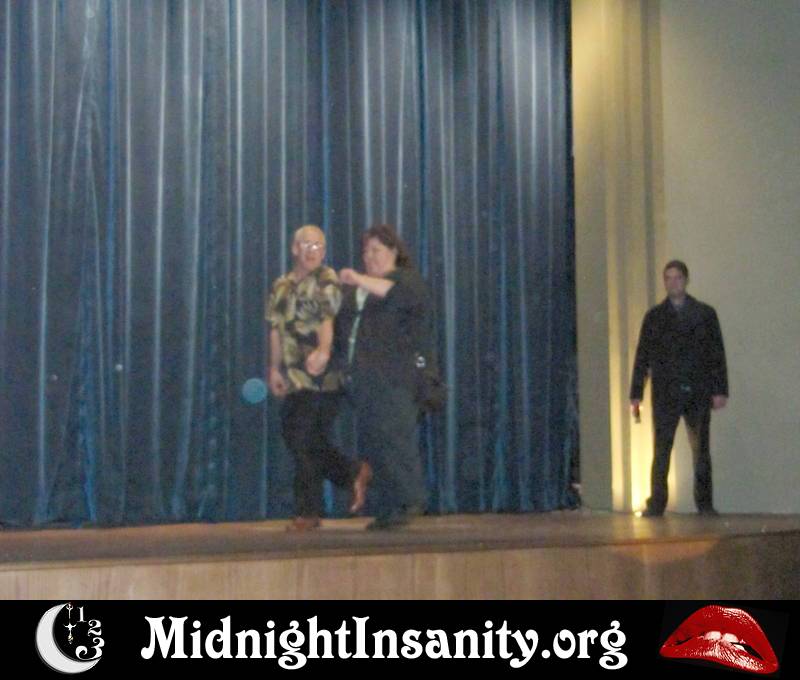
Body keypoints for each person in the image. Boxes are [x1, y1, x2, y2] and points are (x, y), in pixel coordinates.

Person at [266, 225, 371, 531]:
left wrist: (323, 350)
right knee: (302, 438)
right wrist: (274, 368)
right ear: (294, 249)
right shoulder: (281, 285)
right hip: (294, 376)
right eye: (306, 245)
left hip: (323, 376)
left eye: (318, 246)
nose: (312, 251)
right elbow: (275, 328)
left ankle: (308, 512)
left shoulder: (326, 279)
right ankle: (352, 473)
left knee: (303, 439)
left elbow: (327, 319)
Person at [334, 224, 432, 530]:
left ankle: (409, 500)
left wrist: (356, 278)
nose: (369, 256)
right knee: (375, 443)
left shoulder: (406, 281)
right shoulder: (359, 292)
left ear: (394, 251)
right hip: (365, 378)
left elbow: (392, 292)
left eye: (376, 250)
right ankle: (389, 507)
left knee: (395, 438)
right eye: (366, 251)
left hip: (394, 377)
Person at [630, 260, 728, 517]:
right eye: (668, 278)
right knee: (661, 450)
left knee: (701, 451)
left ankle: (705, 504)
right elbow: (642, 355)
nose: (673, 283)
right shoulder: (654, 317)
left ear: (686, 280)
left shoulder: (705, 314)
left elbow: (716, 354)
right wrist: (636, 393)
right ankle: (657, 503)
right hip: (666, 392)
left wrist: (720, 390)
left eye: (677, 278)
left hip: (698, 390)